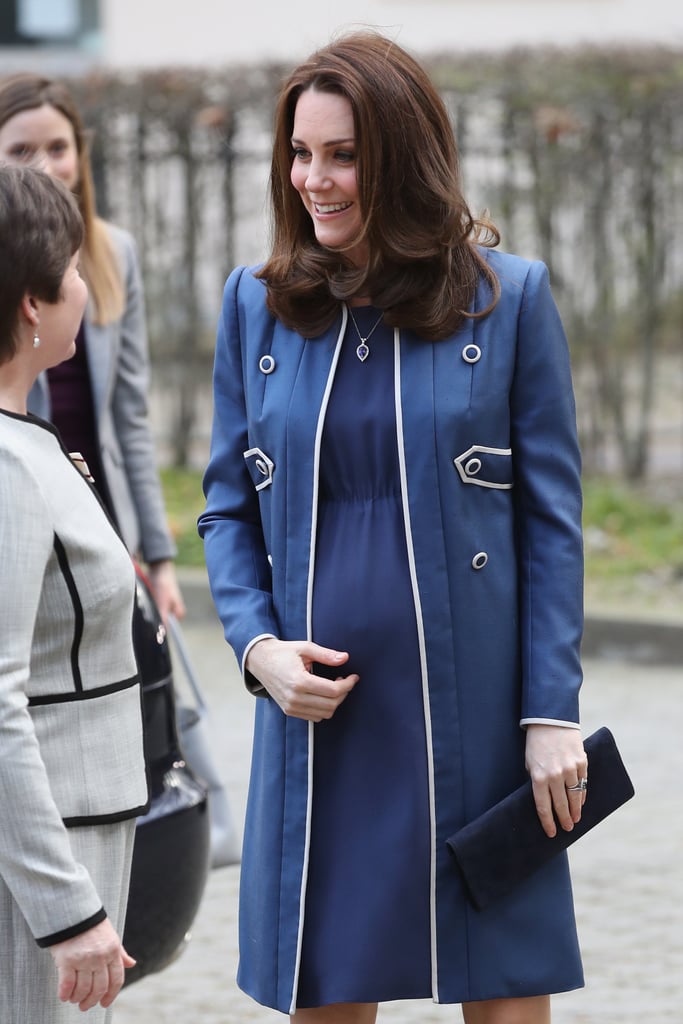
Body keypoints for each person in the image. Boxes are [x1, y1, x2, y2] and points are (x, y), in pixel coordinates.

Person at [198, 31, 588, 1024]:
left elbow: (550, 526)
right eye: (298, 153)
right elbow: (225, 507)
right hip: (323, 719)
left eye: (342, 154)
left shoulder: (506, 303)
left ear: (401, 154)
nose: (313, 179)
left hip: (481, 717)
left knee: (501, 988)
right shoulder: (256, 306)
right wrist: (257, 652)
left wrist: (548, 713)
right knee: (328, 993)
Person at [0, 165, 149, 1021]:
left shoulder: (30, 439)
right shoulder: (9, 468)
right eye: (70, 270)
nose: (84, 288)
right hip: (46, 849)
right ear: (31, 302)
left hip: (72, 832)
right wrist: (68, 912)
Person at [0, 72, 184, 622]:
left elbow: (129, 416)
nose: (44, 165)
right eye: (21, 149)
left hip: (100, 505)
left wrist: (160, 555)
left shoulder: (113, 254)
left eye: (58, 147)